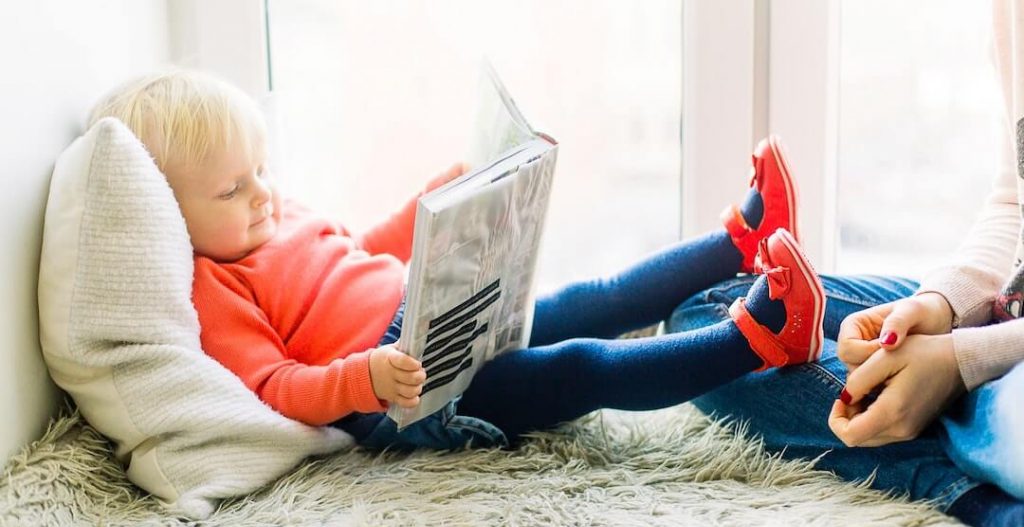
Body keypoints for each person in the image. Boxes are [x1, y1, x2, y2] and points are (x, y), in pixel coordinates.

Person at [86, 69, 823, 453]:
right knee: (582, 367)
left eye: (260, 169)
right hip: (415, 394)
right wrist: (363, 380)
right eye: (231, 188)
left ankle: (741, 239)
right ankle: (758, 337)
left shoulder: (278, 216)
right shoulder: (212, 288)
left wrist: (430, 205)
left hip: (441, 313)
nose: (261, 194)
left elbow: (358, 250)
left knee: (591, 296)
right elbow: (277, 388)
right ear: (171, 215)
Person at [670, 0, 1023, 527]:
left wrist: (962, 362)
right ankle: (955, 437)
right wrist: (940, 307)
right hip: (1008, 313)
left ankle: (967, 493)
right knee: (716, 322)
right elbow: (1014, 199)